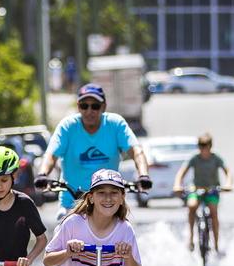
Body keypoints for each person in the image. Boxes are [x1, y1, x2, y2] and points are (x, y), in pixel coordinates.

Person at [35, 83, 151, 220]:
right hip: (72, 203)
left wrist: (143, 175)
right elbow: (51, 155)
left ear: (103, 106)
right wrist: (42, 174)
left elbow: (136, 151)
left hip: (107, 204)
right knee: (61, 233)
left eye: (95, 106)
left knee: (122, 233)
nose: (89, 111)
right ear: (78, 107)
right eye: (84, 106)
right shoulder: (68, 126)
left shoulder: (115, 124)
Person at [173, 132, 234, 253]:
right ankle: (191, 238)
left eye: (205, 147)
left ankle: (216, 244)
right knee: (191, 206)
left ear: (210, 147)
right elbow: (182, 172)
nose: (203, 150)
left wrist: (228, 184)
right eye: (201, 147)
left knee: (213, 211)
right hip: (197, 189)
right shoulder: (194, 158)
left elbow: (228, 172)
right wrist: (177, 184)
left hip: (212, 190)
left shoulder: (216, 158)